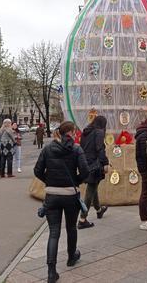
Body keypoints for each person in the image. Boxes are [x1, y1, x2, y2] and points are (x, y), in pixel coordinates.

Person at [34, 121, 89, 283]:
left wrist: (50, 181)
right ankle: (72, 257)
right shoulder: (77, 149)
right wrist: (75, 181)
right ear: (71, 132)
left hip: (52, 195)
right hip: (70, 195)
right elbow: (85, 171)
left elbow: (37, 170)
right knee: (71, 227)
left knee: (54, 232)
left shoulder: (48, 148)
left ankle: (51, 271)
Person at [78, 116, 109, 229]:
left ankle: (99, 210)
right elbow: (99, 148)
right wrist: (105, 162)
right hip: (95, 163)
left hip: (85, 162)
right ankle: (82, 218)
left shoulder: (86, 131)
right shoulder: (99, 132)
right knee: (90, 189)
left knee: (93, 185)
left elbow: (82, 147)